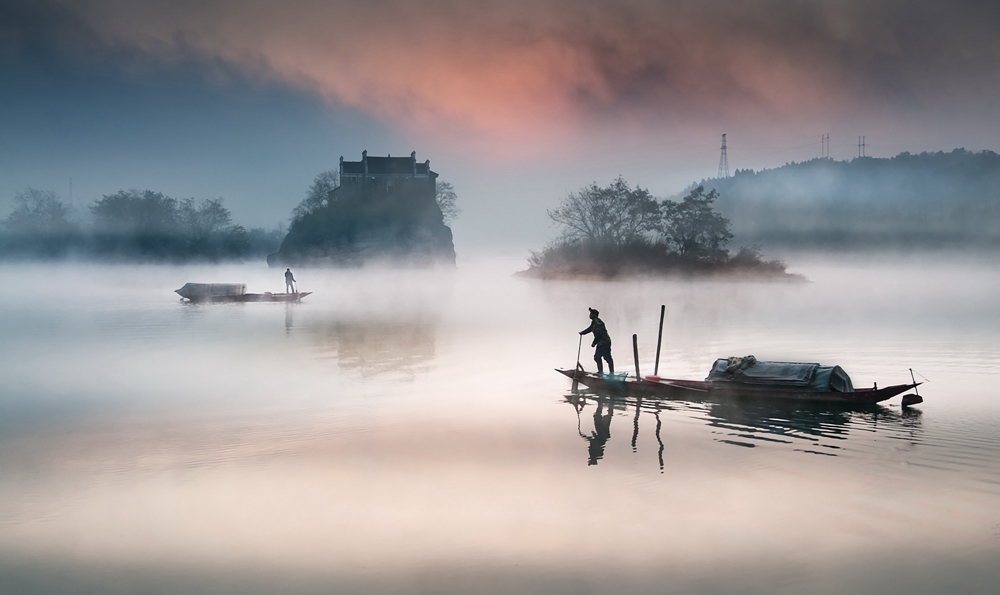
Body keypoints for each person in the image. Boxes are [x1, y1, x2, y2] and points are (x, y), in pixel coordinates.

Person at [580, 307, 614, 375]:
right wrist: (583, 333)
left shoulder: (598, 323)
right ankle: (600, 372)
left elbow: (599, 334)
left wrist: (594, 343)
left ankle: (611, 373)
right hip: (600, 343)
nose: (589, 315)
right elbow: (590, 329)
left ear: (594, 315)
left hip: (605, 342)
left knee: (607, 358)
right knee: (597, 357)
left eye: (591, 314)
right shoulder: (594, 322)